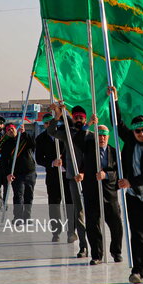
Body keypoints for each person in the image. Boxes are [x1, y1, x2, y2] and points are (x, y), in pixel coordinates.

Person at [110, 86, 143, 284]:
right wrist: (114, 99)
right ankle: (138, 271)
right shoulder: (130, 141)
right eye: (138, 130)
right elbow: (117, 123)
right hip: (134, 197)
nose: (141, 133)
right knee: (138, 235)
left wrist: (132, 181)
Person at [74, 120, 126, 265]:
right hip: (92, 193)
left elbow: (120, 173)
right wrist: (88, 124)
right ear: (95, 136)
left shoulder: (114, 152)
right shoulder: (88, 148)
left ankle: (116, 252)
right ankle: (97, 255)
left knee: (116, 225)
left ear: (108, 137)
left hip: (110, 195)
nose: (102, 138)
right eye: (99, 135)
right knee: (92, 226)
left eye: (104, 135)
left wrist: (106, 175)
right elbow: (77, 139)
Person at [47, 103, 90, 258]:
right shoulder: (67, 133)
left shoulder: (90, 134)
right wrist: (57, 116)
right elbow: (51, 131)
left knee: (91, 213)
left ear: (85, 120)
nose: (78, 119)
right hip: (73, 178)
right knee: (77, 213)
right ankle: (83, 246)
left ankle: (97, 247)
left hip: (89, 179)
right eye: (76, 117)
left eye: (81, 117)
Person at [35, 113, 70, 242]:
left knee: (70, 203)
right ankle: (56, 231)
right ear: (44, 125)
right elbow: (39, 159)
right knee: (54, 205)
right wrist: (51, 163)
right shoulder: (40, 138)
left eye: (51, 122)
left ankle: (72, 230)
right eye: (46, 123)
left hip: (67, 175)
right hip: (52, 176)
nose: (49, 125)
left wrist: (64, 162)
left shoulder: (64, 134)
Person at [1, 123, 37, 221]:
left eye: (12, 129)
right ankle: (18, 217)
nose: (11, 131)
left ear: (15, 129)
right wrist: (8, 173)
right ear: (6, 133)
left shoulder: (24, 139)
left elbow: (33, 144)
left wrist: (24, 133)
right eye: (8, 130)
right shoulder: (6, 145)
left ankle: (27, 216)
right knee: (18, 196)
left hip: (30, 172)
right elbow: (4, 162)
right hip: (17, 174)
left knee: (29, 196)